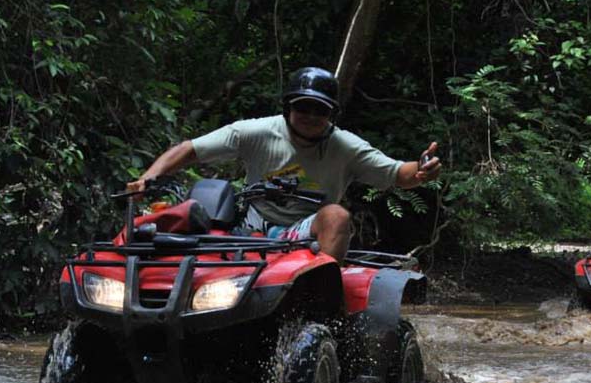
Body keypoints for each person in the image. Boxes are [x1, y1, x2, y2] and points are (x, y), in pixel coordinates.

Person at [125, 66, 441, 261]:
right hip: (247, 226)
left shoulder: (345, 146)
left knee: (337, 215)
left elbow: (398, 174)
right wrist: (148, 178)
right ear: (289, 106)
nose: (310, 117)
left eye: (320, 110)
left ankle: (322, 300)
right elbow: (188, 150)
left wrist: (422, 170)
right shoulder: (255, 132)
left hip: (303, 232)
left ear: (331, 114)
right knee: (189, 210)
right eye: (303, 107)